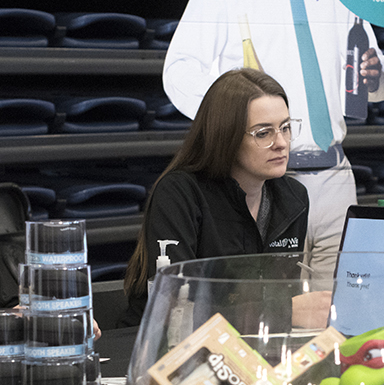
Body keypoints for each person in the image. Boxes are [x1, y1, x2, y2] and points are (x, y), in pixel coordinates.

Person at [162, 0, 384, 272]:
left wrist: (376, 73)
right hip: (266, 182)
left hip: (335, 174)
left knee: (337, 311)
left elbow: (379, 85)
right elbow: (179, 71)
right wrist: (234, 125)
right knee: (269, 307)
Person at [119, 69, 307, 327]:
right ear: (226, 136)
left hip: (248, 347)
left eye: (285, 128)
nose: (281, 143)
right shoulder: (180, 193)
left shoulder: (293, 198)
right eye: (263, 133)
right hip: (162, 349)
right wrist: (283, 312)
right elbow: (179, 305)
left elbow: (283, 293)